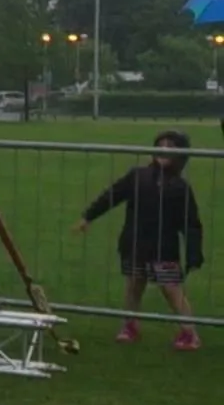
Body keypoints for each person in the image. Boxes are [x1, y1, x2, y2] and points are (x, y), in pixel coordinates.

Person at [75, 130, 204, 349]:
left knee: (171, 289)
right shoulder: (137, 176)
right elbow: (112, 195)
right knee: (134, 285)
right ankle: (130, 325)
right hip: (134, 244)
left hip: (164, 249)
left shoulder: (181, 188)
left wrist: (193, 252)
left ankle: (189, 332)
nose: (163, 150)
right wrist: (89, 216)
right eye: (159, 145)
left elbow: (191, 224)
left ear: (181, 155)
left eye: (170, 147)